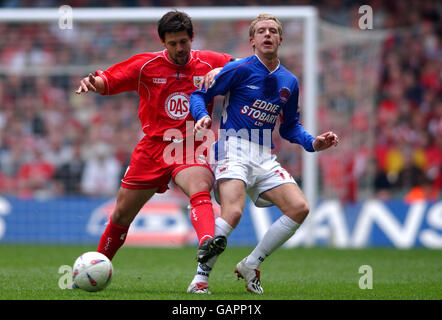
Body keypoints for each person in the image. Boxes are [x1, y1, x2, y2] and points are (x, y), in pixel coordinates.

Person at [75, 11, 232, 280]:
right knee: (122, 214)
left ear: (192, 38)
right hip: (153, 147)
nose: (179, 48)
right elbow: (109, 80)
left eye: (184, 42)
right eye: (173, 44)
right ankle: (93, 271)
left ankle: (207, 242)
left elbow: (246, 69)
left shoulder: (210, 62)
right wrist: (94, 84)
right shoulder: (146, 65)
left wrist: (225, 70)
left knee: (199, 186)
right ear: (163, 42)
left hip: (191, 143)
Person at [188, 14, 339, 294]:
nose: (267, 35)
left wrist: (313, 143)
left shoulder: (289, 81)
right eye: (261, 31)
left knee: (299, 208)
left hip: (263, 155)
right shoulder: (239, 69)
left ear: (280, 39)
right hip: (233, 147)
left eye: (272, 31)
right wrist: (201, 117)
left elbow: (290, 126)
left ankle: (251, 263)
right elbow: (199, 95)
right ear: (252, 40)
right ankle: (200, 279)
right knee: (232, 211)